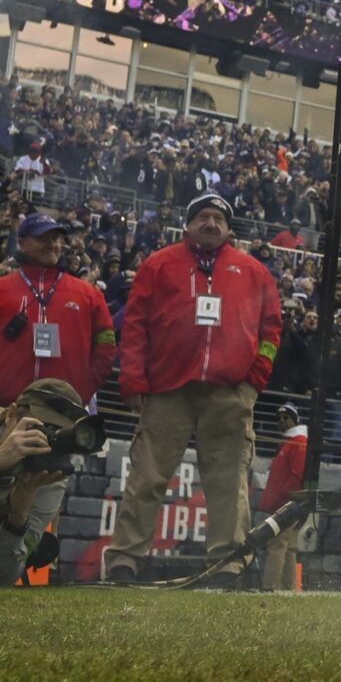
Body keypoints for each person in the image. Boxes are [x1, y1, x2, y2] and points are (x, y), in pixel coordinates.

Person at [104, 192, 282, 584]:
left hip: (229, 392)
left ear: (229, 229)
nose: (211, 224)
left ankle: (228, 563)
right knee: (147, 476)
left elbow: (271, 330)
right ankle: (124, 560)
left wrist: (255, 381)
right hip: (168, 390)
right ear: (187, 224)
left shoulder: (253, 271)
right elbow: (135, 326)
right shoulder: (159, 264)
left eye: (219, 218)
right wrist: (132, 378)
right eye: (203, 216)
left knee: (227, 481)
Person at [0, 212, 115, 584]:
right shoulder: (3, 289)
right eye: (44, 237)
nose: (54, 244)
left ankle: (21, 567)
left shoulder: (88, 294)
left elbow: (106, 349)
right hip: (7, 416)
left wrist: (79, 394)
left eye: (59, 238)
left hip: (61, 422)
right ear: (23, 242)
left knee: (45, 498)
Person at [0, 379, 89, 587]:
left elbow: (4, 577)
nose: (44, 441)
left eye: (56, 434)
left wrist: (17, 518)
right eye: (38, 428)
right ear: (12, 415)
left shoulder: (50, 474)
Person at [258, 404, 307, 591]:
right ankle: (289, 588)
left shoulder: (298, 442)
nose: (281, 421)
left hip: (285, 504)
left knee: (277, 545)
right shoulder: (290, 442)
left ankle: (270, 587)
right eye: (278, 418)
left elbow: (297, 476)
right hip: (286, 503)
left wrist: (286, 501)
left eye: (286, 417)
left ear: (295, 420)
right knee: (288, 548)